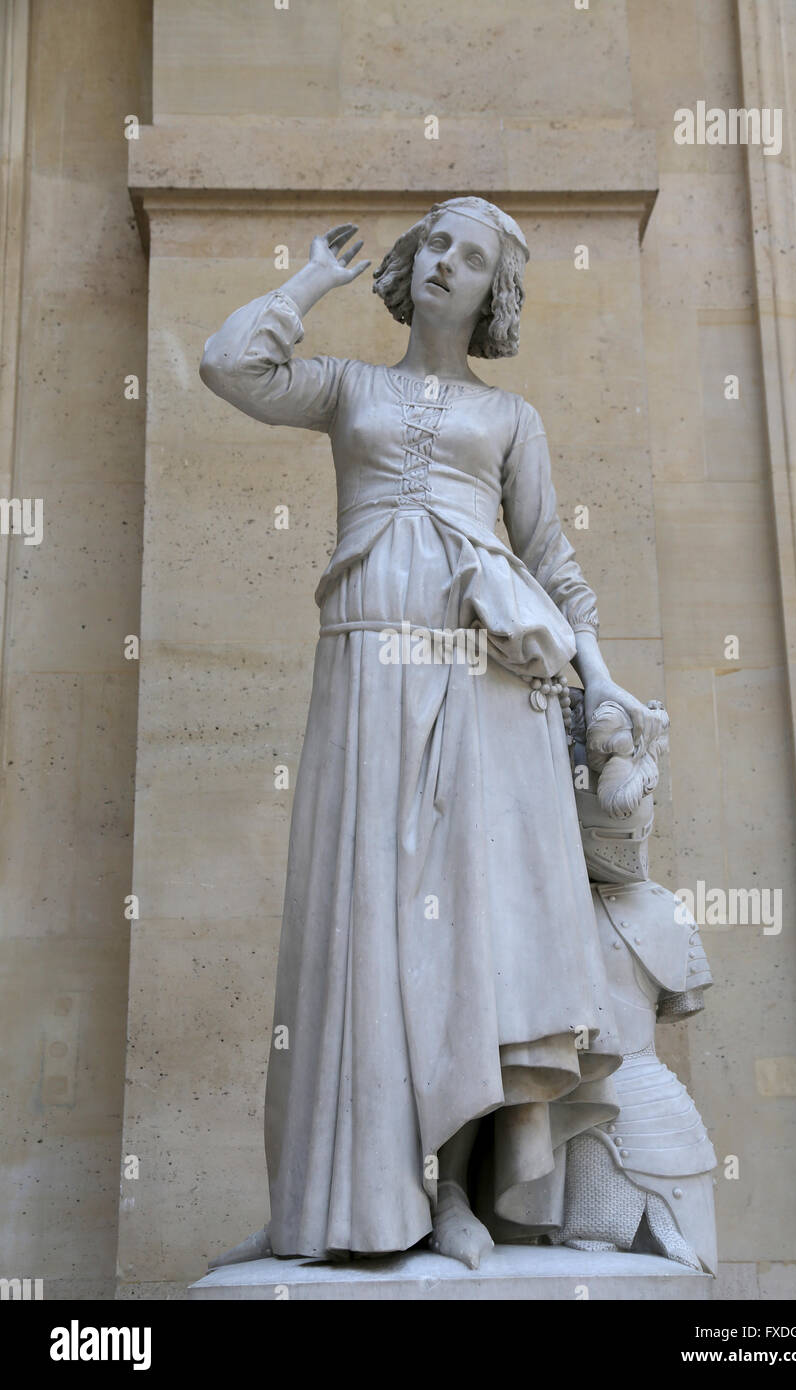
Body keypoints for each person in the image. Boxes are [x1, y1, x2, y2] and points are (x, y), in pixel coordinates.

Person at [199, 199, 665, 1270]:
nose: (446, 263)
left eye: (471, 256)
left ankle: (452, 1191)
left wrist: (601, 692)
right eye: (435, 245)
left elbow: (554, 566)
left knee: (459, 938)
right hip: (363, 666)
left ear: (494, 291)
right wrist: (308, 282)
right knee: (350, 921)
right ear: (409, 266)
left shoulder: (510, 419)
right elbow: (231, 366)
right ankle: (324, 1198)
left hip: (481, 683)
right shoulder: (349, 387)